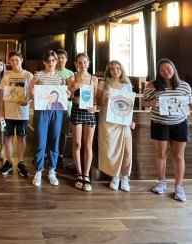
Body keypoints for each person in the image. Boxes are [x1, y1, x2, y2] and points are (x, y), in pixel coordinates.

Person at [142, 58, 191, 202]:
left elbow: (190, 103)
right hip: (159, 123)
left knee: (178, 156)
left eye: (168, 68)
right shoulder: (152, 85)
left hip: (180, 124)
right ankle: (161, 181)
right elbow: (144, 103)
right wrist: (151, 103)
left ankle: (178, 186)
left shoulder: (184, 86)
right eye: (161, 70)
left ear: (173, 68)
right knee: (160, 155)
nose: (165, 72)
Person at [30, 50, 68, 186]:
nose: (51, 63)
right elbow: (30, 93)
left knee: (54, 140)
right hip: (41, 111)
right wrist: (32, 92)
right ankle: (39, 171)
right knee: (40, 140)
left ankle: (52, 170)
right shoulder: (37, 75)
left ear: (56, 61)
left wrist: (67, 93)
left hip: (56, 111)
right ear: (44, 62)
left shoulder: (61, 78)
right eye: (48, 60)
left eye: (53, 60)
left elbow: (64, 94)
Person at [97, 60, 135, 191]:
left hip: (123, 120)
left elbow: (130, 104)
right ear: (109, 71)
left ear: (121, 69)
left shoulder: (127, 84)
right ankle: (115, 176)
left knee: (127, 150)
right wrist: (105, 101)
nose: (115, 71)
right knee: (111, 149)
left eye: (118, 68)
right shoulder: (103, 83)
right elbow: (97, 102)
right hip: (108, 120)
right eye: (112, 69)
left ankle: (125, 177)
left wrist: (131, 120)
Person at [0, 50, 33, 176]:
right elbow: (1, 93)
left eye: (16, 60)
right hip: (8, 113)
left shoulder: (28, 75)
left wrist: (27, 101)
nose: (14, 62)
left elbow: (33, 93)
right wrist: (1, 110)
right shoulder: (6, 75)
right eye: (12, 60)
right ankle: (8, 162)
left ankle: (21, 162)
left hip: (22, 113)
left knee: (21, 137)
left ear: (22, 60)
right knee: (8, 137)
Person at [68, 53, 98, 191]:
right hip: (76, 111)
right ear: (76, 64)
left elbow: (97, 98)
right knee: (77, 143)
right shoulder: (72, 78)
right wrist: (73, 89)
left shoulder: (94, 79)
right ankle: (79, 173)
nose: (82, 65)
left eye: (85, 62)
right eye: (79, 63)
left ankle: (86, 175)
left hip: (89, 113)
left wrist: (95, 106)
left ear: (88, 63)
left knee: (88, 144)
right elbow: (68, 97)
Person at [55, 49, 74, 168]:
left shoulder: (70, 74)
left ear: (66, 59)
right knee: (52, 131)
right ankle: (51, 154)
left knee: (63, 132)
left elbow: (71, 93)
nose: (60, 60)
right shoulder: (51, 71)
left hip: (66, 107)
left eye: (63, 57)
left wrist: (69, 89)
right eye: (58, 58)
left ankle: (60, 156)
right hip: (52, 106)